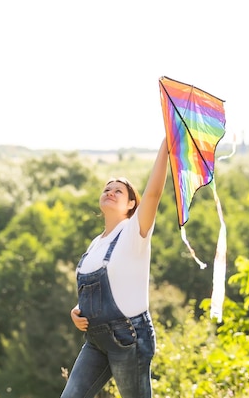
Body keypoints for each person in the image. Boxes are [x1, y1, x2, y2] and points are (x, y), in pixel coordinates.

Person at [60, 138, 168, 398]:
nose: (110, 192)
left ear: (132, 204)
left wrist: (167, 142)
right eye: (107, 189)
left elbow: (153, 193)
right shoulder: (96, 244)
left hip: (129, 339)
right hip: (96, 342)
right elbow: (92, 292)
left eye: (118, 191)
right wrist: (77, 311)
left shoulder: (135, 231)